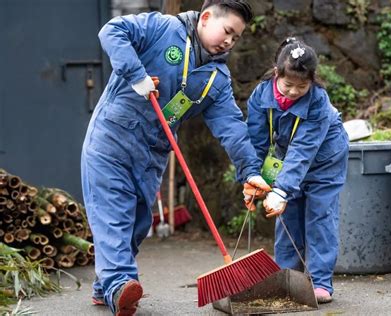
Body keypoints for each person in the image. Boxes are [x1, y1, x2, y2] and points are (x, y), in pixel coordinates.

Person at [81, 1, 271, 315]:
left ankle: (106, 287)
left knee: (138, 224)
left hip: (152, 154)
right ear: (206, 18)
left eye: (236, 38)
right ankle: (119, 285)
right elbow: (111, 30)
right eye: (227, 31)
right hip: (111, 141)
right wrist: (135, 74)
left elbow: (232, 128)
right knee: (113, 215)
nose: (229, 41)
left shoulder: (216, 79)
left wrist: (250, 169)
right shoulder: (161, 28)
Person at [245, 38, 349, 304]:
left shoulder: (318, 102)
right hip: (287, 160)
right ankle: (288, 277)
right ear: (276, 73)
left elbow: (304, 149)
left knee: (320, 216)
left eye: (302, 86)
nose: (293, 91)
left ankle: (320, 282)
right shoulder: (261, 95)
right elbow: (256, 141)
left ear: (312, 81)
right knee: (287, 217)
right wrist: (253, 177)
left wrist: (281, 188)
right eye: (288, 84)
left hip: (325, 160)